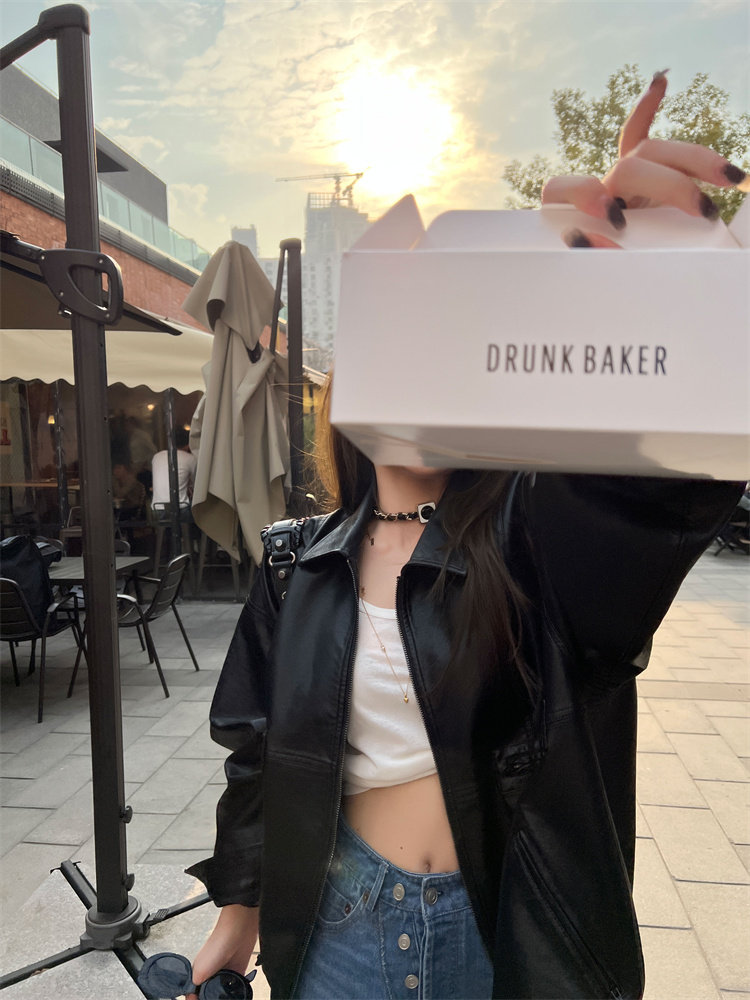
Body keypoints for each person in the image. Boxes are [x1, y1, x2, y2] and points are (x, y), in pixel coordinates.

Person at [186, 74, 746, 1000]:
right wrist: (237, 913)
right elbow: (257, 754)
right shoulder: (296, 562)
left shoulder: (536, 543)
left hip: (505, 939)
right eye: (393, 334)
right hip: (339, 932)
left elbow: (649, 498)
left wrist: (655, 292)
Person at [151, 427, 197, 518]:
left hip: (157, 509)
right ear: (188, 444)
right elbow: (197, 484)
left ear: (170, 442)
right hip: (181, 508)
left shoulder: (156, 457)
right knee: (200, 511)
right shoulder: (191, 458)